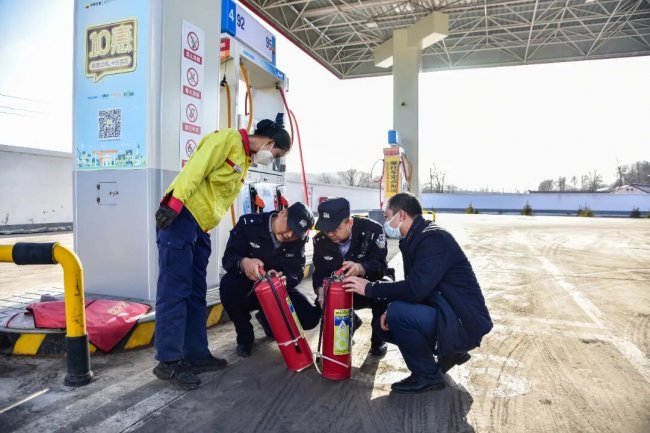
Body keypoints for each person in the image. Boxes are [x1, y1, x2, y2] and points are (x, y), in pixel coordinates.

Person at [153, 116, 291, 389]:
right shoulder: (227, 139)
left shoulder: (245, 161)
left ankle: (195, 353)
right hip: (181, 218)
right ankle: (169, 361)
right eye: (276, 154)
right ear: (270, 142)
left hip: (201, 227)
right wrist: (173, 204)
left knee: (195, 293)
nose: (272, 159)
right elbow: (196, 169)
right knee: (174, 291)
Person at [343, 192, 492, 394]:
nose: (386, 222)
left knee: (398, 314)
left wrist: (369, 288)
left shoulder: (433, 239)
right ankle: (450, 353)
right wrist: (389, 307)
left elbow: (415, 289)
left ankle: (427, 375)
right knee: (383, 324)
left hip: (462, 321)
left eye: (387, 217)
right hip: (446, 312)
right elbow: (419, 289)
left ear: (401, 215)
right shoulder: (416, 238)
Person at [219, 201, 320, 357]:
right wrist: (244, 263)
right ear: (283, 213)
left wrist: (285, 279)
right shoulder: (249, 225)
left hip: (277, 289)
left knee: (309, 318)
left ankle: (266, 318)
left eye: (295, 233)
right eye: (290, 227)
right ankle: (245, 337)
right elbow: (228, 258)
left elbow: (297, 270)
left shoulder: (298, 239)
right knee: (228, 287)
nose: (290, 235)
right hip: (247, 288)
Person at [312, 197, 390, 356]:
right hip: (341, 291)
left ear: (349, 223)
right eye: (326, 229)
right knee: (323, 298)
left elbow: (380, 266)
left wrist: (361, 268)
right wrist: (321, 293)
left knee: (384, 292)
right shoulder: (320, 241)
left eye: (335, 228)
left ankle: (379, 340)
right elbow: (319, 272)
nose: (330, 234)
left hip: (367, 288)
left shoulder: (372, 230)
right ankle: (351, 322)